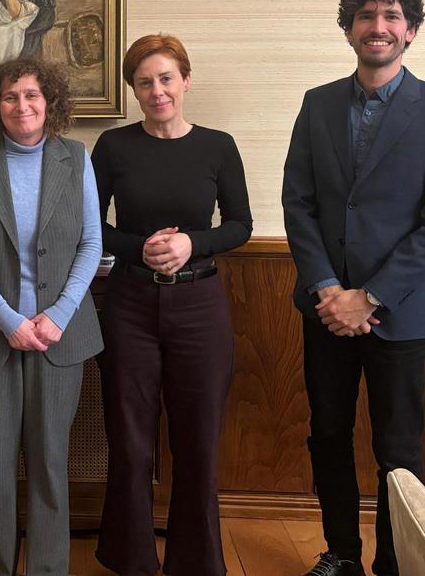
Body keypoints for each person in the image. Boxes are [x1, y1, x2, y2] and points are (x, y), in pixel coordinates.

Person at [282, 0, 425, 576]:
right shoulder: (317, 104)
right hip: (325, 310)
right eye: (367, 16)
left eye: (391, 16)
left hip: (401, 312)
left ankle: (395, 564)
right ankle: (340, 554)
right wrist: (329, 290)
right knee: (328, 437)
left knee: (398, 450)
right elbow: (299, 204)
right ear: (349, 29)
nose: (379, 27)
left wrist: (371, 296)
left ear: (410, 31)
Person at [91, 34, 252, 576]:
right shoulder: (113, 148)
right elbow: (91, 226)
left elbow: (239, 225)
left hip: (200, 306)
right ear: (132, 91)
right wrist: (143, 249)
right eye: (144, 82)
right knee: (131, 445)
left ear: (186, 81)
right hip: (129, 303)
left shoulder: (218, 145)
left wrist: (190, 244)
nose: (156, 91)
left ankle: (197, 564)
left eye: (166, 78)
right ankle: (130, 559)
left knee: (198, 444)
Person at [0, 58, 102, 576]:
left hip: (61, 335)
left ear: (50, 102)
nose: (21, 105)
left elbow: (90, 243)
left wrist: (56, 315)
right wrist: (6, 318)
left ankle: (47, 570)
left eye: (32, 95)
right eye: (10, 96)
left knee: (51, 463)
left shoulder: (75, 158)